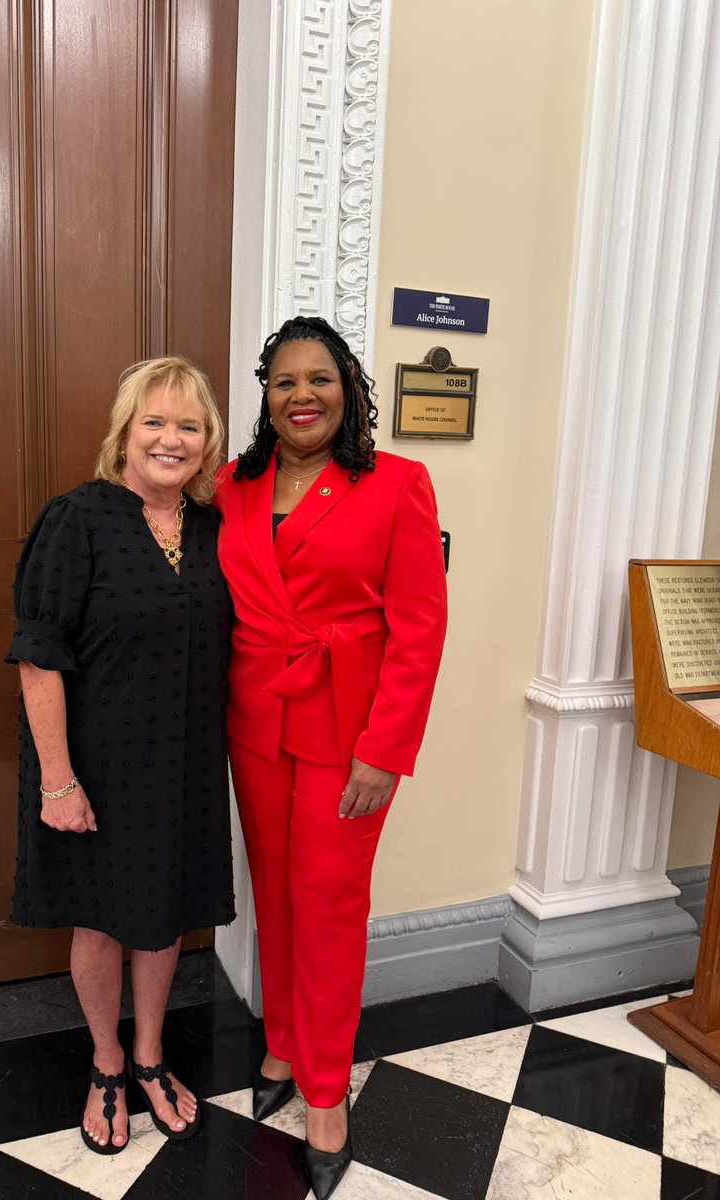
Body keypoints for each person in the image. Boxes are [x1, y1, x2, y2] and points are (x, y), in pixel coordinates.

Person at [214, 316, 447, 1199]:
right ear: (266, 398)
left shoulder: (396, 483)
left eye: (320, 379)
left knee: (331, 908)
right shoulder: (234, 487)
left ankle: (324, 1090)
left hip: (350, 735)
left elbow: (420, 630)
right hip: (255, 723)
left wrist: (385, 750)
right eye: (283, 381)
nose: (301, 395)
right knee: (271, 890)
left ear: (348, 389)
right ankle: (280, 1042)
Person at [6, 356, 234, 1154]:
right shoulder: (79, 518)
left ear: (208, 444)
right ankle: (106, 1063)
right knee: (104, 922)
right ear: (125, 433)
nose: (172, 439)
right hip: (97, 765)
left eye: (190, 426)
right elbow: (40, 653)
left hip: (184, 763)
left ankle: (149, 1057)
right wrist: (58, 779)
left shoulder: (212, 528)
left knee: (164, 916)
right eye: (156, 422)